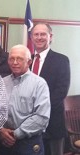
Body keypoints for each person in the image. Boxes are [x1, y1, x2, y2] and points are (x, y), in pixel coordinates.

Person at [0, 44, 51, 155]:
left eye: (19, 59)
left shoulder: (39, 84)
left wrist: (15, 134)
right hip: (3, 142)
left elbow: (41, 117)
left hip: (28, 144)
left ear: (29, 62)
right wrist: (0, 130)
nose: (15, 62)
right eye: (12, 59)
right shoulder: (1, 82)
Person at [30, 23, 71, 155]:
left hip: (52, 124)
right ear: (31, 37)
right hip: (27, 124)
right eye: (36, 34)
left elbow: (60, 92)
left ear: (50, 37)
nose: (39, 37)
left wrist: (38, 112)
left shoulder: (61, 60)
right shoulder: (27, 60)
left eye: (43, 34)